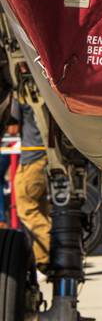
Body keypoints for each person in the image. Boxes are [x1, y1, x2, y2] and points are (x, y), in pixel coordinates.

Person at [7, 94, 51, 270]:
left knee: (27, 208)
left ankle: (47, 253)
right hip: (47, 157)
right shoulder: (46, 88)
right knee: (41, 208)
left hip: (32, 158)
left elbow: (12, 129)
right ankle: (44, 255)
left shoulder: (21, 93)